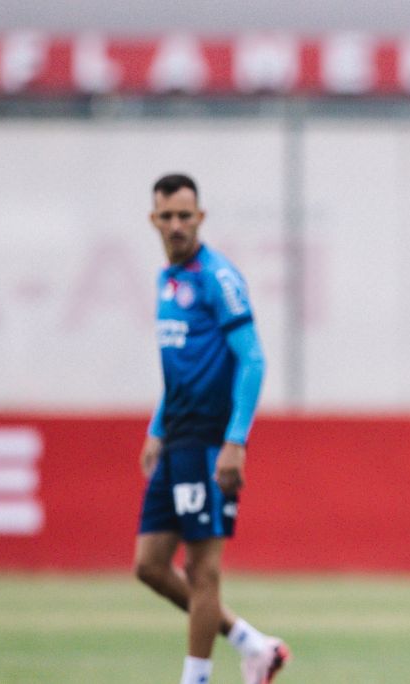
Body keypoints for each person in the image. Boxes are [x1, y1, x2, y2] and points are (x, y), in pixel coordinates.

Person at [133, 173, 290, 684]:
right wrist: (157, 428)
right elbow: (180, 366)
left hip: (207, 440)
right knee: (150, 565)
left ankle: (196, 679)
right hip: (176, 435)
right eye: (167, 216)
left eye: (185, 215)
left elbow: (253, 360)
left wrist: (235, 441)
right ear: (153, 220)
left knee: (203, 573)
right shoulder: (166, 279)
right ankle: (254, 646)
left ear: (200, 217)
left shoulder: (217, 278)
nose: (176, 225)